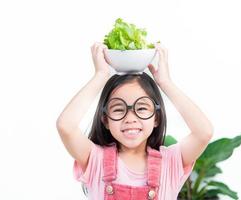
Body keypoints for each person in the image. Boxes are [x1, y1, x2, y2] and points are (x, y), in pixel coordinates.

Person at [56, 42, 214, 200]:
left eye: (141, 108)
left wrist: (166, 83)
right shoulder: (95, 160)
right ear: (105, 120)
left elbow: (203, 132)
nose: (130, 118)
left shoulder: (170, 163)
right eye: (118, 109)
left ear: (156, 118)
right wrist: (100, 76)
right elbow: (66, 126)